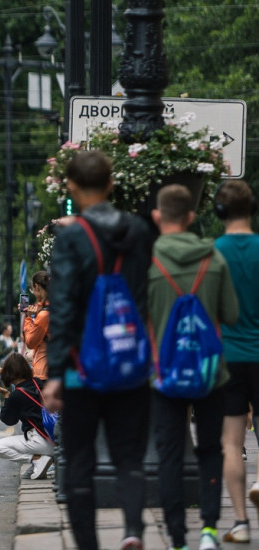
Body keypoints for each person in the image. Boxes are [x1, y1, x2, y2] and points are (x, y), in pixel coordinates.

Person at [44, 150, 153, 550]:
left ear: (71, 187)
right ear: (111, 185)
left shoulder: (71, 237)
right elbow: (143, 295)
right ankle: (132, 530)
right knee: (130, 458)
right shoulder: (139, 231)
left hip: (81, 368)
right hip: (129, 361)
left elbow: (66, 306)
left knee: (80, 463)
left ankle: (88, 544)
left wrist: (56, 373)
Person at [147, 184, 238, 550]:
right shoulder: (213, 259)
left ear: (157, 216)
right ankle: (209, 531)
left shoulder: (149, 261)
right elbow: (231, 314)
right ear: (191, 217)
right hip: (211, 373)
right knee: (211, 448)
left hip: (164, 373)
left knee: (169, 455)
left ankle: (178, 538)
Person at [215, 180, 259, 544]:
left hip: (228, 357)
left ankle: (241, 523)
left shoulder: (214, 254)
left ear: (219, 211)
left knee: (231, 442)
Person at [0, 353, 55, 480]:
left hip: (41, 442)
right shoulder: (37, 382)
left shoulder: (16, 396)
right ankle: (43, 461)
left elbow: (9, 420)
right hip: (56, 439)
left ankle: (37, 459)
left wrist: (7, 397)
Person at [22, 271, 50, 380]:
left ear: (37, 286)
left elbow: (30, 342)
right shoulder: (55, 308)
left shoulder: (44, 315)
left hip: (43, 372)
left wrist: (29, 318)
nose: (33, 293)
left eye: (32, 289)